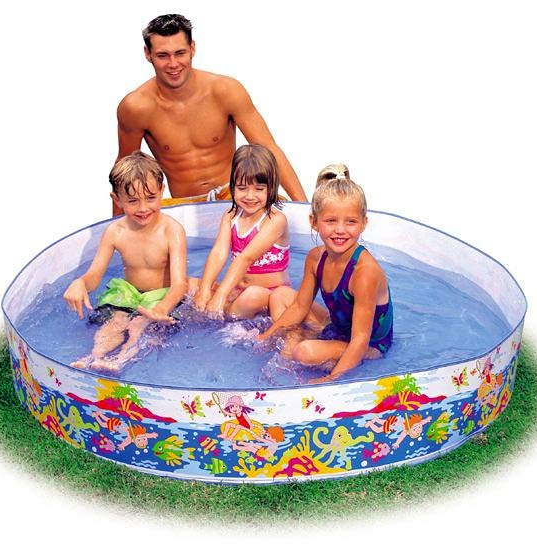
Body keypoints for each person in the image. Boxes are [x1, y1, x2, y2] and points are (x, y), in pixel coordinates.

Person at [114, 13, 306, 214]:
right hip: (185, 205)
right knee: (144, 222)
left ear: (192, 48)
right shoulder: (136, 107)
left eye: (180, 53)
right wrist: (115, 226)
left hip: (234, 196)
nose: (173, 64)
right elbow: (125, 171)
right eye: (163, 55)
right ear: (147, 54)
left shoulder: (225, 90)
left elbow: (268, 147)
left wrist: (304, 209)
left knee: (283, 217)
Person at [258, 167, 394, 383]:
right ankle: (297, 338)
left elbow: (360, 338)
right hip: (337, 329)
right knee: (281, 295)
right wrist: (265, 337)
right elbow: (300, 306)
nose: (340, 230)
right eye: (331, 221)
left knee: (304, 352)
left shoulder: (364, 272)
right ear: (314, 222)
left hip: (368, 346)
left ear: (364, 223)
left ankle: (302, 344)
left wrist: (331, 380)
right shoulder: (315, 258)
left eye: (351, 222)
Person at [63, 151, 188, 371]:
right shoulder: (115, 232)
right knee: (116, 322)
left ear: (162, 191)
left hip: (161, 296)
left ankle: (120, 361)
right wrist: (80, 283)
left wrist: (160, 309)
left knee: (140, 324)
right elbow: (94, 276)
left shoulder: (172, 230)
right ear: (117, 200)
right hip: (129, 293)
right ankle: (94, 356)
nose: (143, 208)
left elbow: (179, 284)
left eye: (151, 198)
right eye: (132, 201)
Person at [191, 144, 291, 319]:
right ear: (232, 187)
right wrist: (204, 289)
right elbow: (219, 252)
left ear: (271, 188)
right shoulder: (230, 216)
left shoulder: (275, 220)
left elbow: (246, 258)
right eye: (242, 188)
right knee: (190, 284)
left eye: (259, 189)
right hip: (238, 290)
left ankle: (226, 318)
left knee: (252, 295)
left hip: (270, 294)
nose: (250, 196)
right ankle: (224, 313)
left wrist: (220, 295)